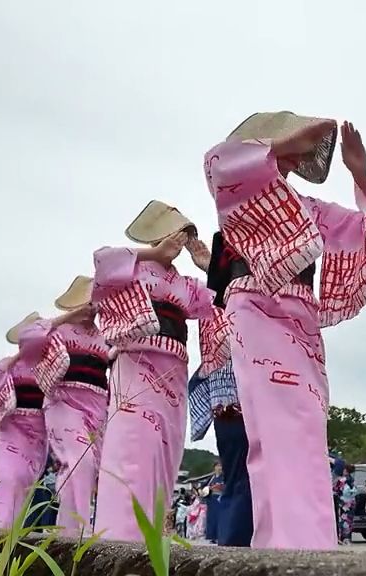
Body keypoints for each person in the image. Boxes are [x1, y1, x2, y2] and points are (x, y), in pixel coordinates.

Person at [203, 113, 366, 550]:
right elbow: (221, 165)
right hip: (254, 313)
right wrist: (290, 140)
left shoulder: (312, 210)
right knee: (277, 427)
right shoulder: (240, 204)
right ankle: (299, 546)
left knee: (302, 429)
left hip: (301, 320)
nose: (289, 160)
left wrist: (360, 177)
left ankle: (288, 544)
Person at [91, 203, 216, 542]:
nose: (177, 241)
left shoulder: (185, 284)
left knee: (165, 455)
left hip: (173, 371)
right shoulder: (132, 268)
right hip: (135, 365)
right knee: (132, 452)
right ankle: (119, 539)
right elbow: (102, 261)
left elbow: (218, 302)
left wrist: (208, 263)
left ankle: (152, 540)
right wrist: (151, 252)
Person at [20, 281, 109, 537]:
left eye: (95, 303)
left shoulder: (103, 337)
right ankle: (80, 530)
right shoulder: (58, 331)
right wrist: (67, 317)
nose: (92, 309)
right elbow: (26, 338)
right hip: (64, 404)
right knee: (82, 460)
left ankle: (66, 530)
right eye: (88, 303)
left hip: (97, 409)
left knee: (86, 468)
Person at [0, 312, 49, 530]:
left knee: (25, 485)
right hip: (12, 430)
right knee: (9, 479)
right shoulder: (11, 367)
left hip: (38, 434)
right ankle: (0, 534)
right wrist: (19, 357)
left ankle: (12, 535)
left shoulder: (48, 365)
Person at [188, 361, 253, 547]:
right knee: (245, 477)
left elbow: (196, 381)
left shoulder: (214, 339)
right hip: (248, 404)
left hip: (222, 406)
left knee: (235, 479)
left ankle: (231, 540)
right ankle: (238, 540)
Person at [204, 462, 224, 544]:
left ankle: (219, 536)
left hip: (219, 499)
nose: (219, 467)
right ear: (214, 467)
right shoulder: (211, 478)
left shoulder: (223, 477)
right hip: (211, 500)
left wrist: (219, 486)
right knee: (211, 518)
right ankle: (212, 537)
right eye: (217, 466)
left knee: (219, 518)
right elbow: (204, 486)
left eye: (220, 466)